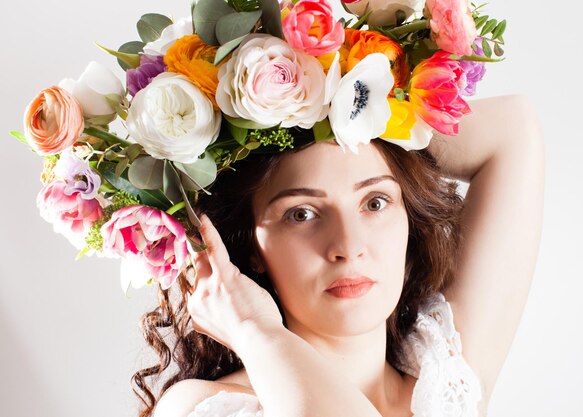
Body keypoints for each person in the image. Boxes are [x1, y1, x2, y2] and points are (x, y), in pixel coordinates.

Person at [129, 94, 544, 417]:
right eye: (301, 214)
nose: (347, 246)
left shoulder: (443, 377)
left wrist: (353, 101)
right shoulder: (200, 408)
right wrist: (256, 333)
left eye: (375, 202)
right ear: (250, 248)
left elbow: (514, 127)